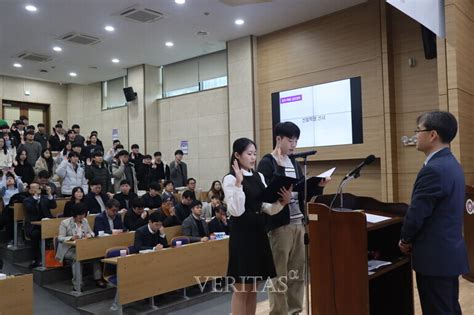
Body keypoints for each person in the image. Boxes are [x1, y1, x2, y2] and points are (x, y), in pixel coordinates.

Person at [399, 111, 469, 315]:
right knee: (448, 308)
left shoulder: (434, 169)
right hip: (448, 253)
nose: (415, 136)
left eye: (418, 131)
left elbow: (418, 213)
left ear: (432, 135)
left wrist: (405, 239)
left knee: (438, 310)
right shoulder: (452, 164)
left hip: (434, 257)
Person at [257, 122, 330, 315]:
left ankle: (295, 311)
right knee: (279, 276)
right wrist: (283, 197)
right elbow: (263, 194)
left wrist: (318, 186)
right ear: (278, 139)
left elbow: (301, 193)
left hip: (299, 223)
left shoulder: (295, 163)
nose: (294, 145)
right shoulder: (267, 162)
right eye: (290, 140)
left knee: (297, 274)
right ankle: (279, 313)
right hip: (279, 225)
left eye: (296, 140)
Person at [224, 137, 292, 315]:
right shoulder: (230, 179)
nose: (253, 157)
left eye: (255, 153)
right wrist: (239, 183)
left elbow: (265, 207)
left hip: (258, 232)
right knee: (241, 289)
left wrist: (282, 203)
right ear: (237, 155)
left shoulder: (258, 175)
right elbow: (236, 211)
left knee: (253, 287)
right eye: (249, 154)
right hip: (242, 235)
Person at [56, 203, 105, 291]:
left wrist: (89, 235)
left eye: (83, 214)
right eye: (80, 215)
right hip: (68, 248)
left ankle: (98, 278)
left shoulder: (85, 221)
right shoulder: (65, 223)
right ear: (75, 214)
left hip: (83, 247)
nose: (82, 217)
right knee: (77, 257)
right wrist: (71, 238)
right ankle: (77, 284)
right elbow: (60, 238)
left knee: (95, 254)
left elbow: (91, 232)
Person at [23, 182, 56, 268]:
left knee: (55, 232)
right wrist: (35, 198)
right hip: (34, 225)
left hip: (46, 223)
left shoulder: (45, 198)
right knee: (35, 234)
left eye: (38, 187)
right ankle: (37, 258)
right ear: (30, 191)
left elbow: (53, 206)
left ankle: (54, 258)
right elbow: (30, 209)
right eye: (34, 188)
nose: (37, 189)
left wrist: (50, 195)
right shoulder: (27, 200)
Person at [0, 171, 24, 245]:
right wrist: (4, 174)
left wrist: (14, 173)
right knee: (8, 218)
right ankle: (11, 238)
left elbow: (20, 184)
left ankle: (16, 238)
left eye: (11, 178)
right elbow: (1, 186)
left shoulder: (18, 190)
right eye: (8, 179)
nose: (10, 179)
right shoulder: (4, 191)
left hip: (18, 209)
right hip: (8, 210)